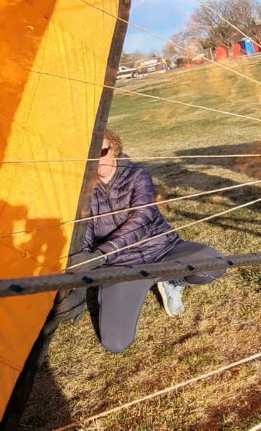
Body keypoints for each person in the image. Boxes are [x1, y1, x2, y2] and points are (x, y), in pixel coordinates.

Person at [74, 130, 222, 353]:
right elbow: (83, 232)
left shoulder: (137, 174)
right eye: (89, 155)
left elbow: (141, 219)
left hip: (161, 250)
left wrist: (101, 254)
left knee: (213, 264)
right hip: (120, 266)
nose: (97, 160)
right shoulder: (82, 189)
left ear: (114, 150)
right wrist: (81, 272)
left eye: (102, 151)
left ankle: (172, 282)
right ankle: (147, 284)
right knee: (115, 344)